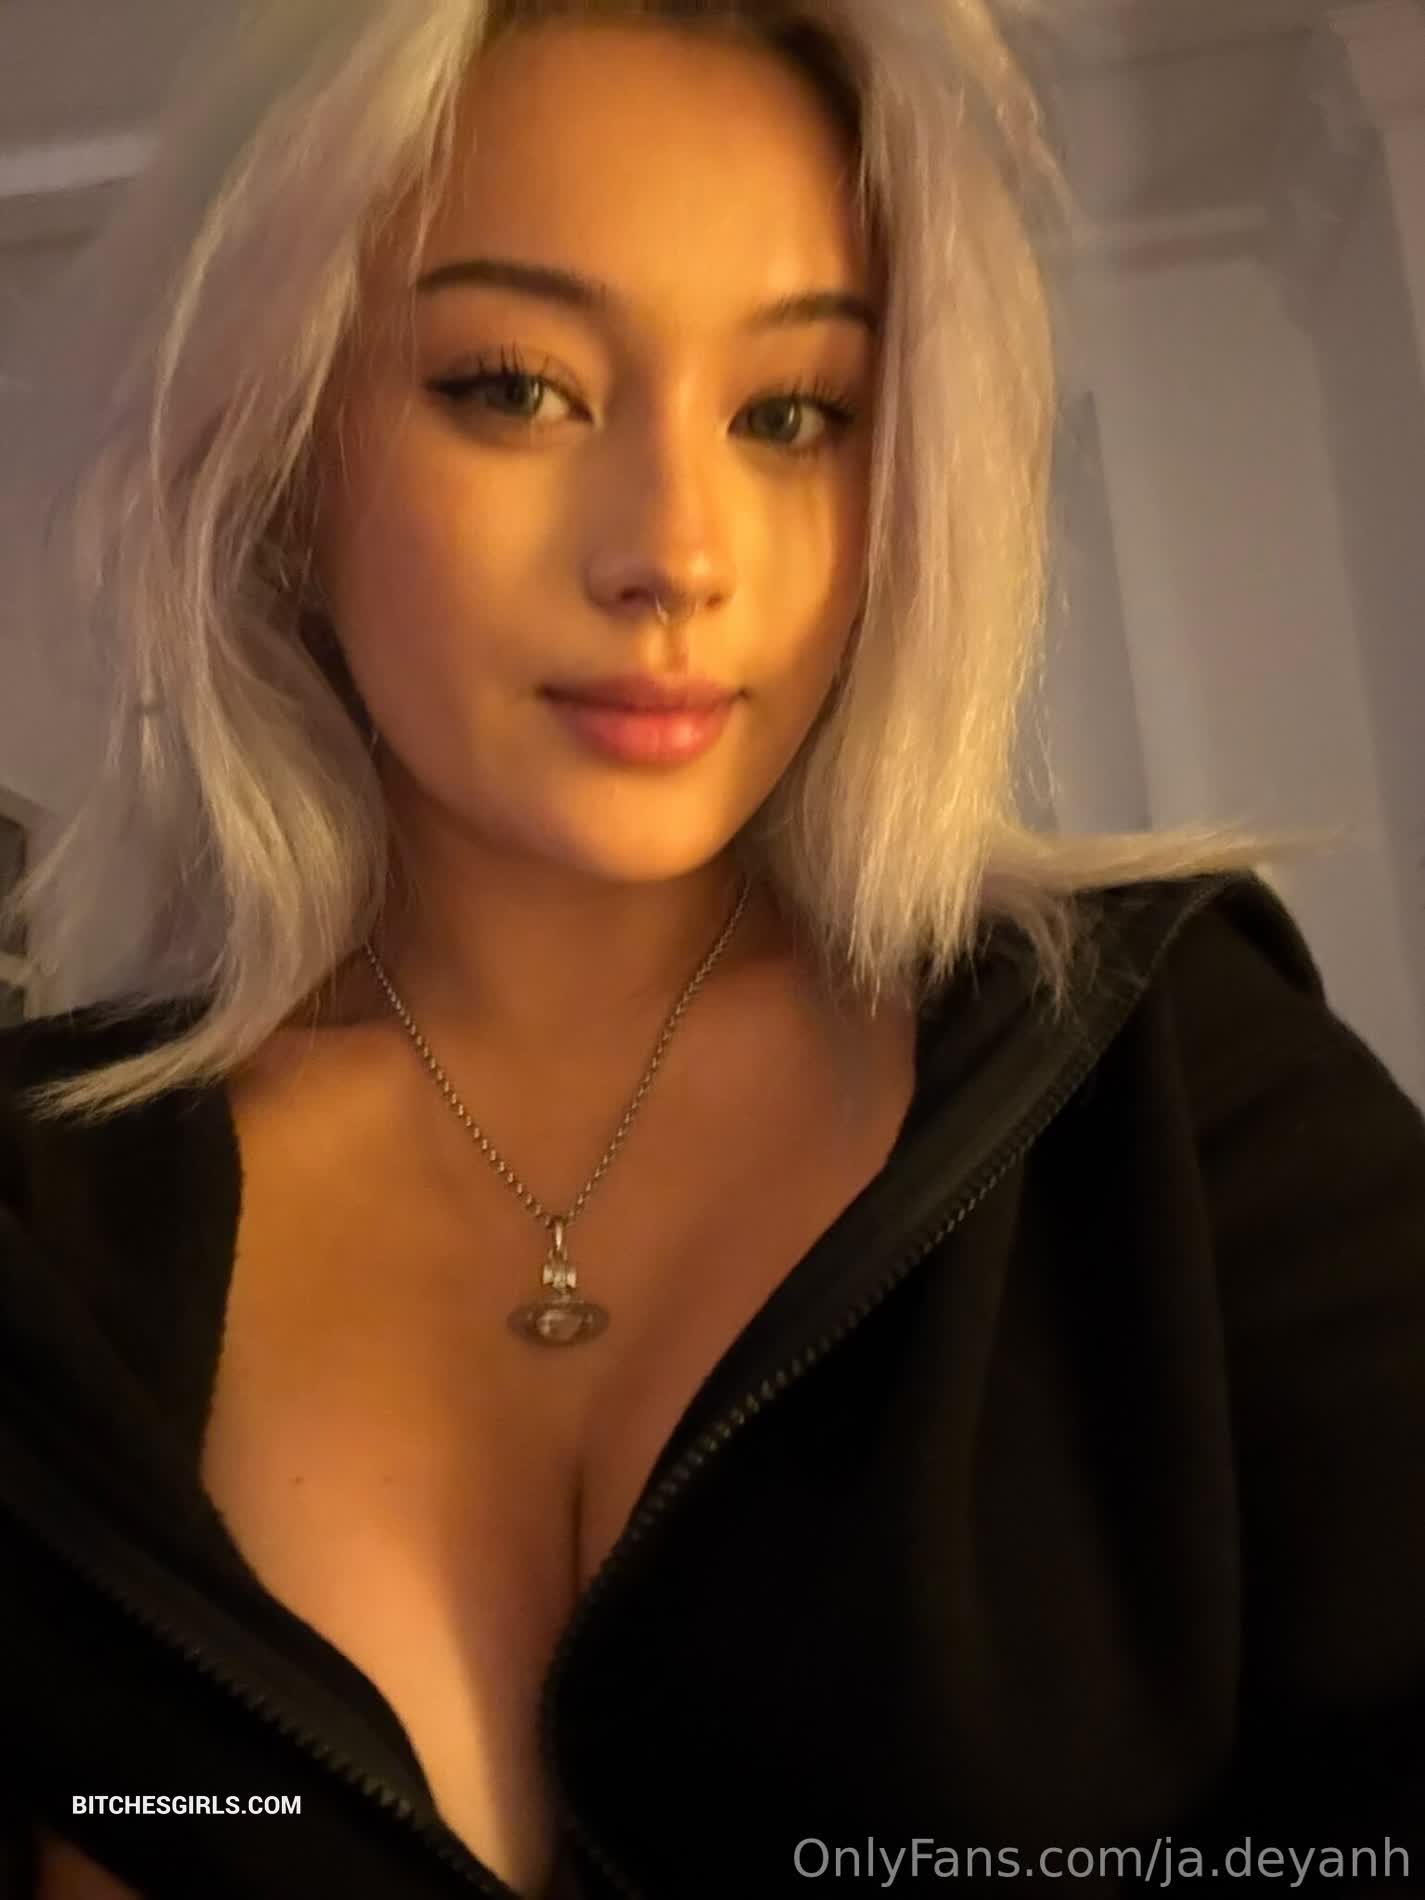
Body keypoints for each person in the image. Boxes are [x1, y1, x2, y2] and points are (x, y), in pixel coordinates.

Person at [1, 3, 1422, 1897]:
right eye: (515, 387)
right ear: (277, 442)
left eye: (791, 415)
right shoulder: (42, 1230)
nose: (678, 554)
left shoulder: (1159, 1085)